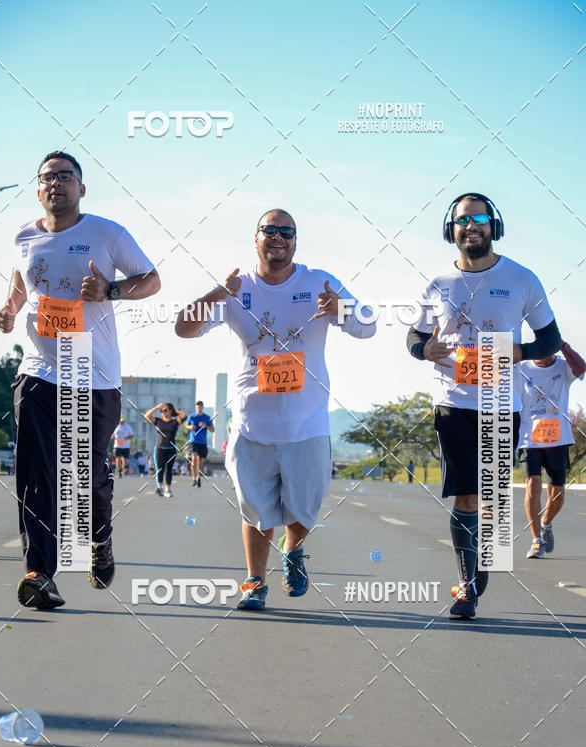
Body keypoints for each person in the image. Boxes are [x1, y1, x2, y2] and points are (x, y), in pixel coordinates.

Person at [175, 208, 375, 610]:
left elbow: (367, 325)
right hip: (252, 423)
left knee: (303, 507)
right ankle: (254, 581)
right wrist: (218, 294)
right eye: (270, 230)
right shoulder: (236, 288)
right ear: (256, 238)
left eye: (287, 231)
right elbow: (183, 327)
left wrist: (341, 311)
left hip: (308, 423)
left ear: (296, 241)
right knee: (256, 510)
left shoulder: (320, 281)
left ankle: (294, 549)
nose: (278, 237)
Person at [0, 150, 160, 609]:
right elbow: (21, 281)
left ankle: (99, 540)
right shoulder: (24, 236)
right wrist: (10, 310)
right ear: (38, 188)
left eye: (66, 177)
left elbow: (151, 279)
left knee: (86, 480)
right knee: (36, 473)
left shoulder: (107, 233)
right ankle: (40, 573)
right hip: (39, 370)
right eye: (48, 177)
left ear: (81, 188)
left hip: (94, 373)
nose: (57, 184)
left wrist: (112, 289)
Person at [407, 192, 561, 619]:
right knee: (467, 496)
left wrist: (522, 351)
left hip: (501, 403)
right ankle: (467, 587)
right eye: (462, 220)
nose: (470, 226)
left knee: (491, 499)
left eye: (478, 218)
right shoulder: (437, 283)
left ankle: (480, 568)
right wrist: (425, 349)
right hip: (452, 404)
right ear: (449, 230)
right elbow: (414, 339)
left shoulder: (522, 278)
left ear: (493, 225)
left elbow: (549, 339)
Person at [518, 343, 585, 558]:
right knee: (533, 485)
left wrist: (562, 344)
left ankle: (546, 523)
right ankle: (536, 541)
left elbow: (581, 368)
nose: (546, 357)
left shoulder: (563, 368)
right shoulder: (522, 367)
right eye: (542, 352)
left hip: (558, 439)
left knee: (557, 496)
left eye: (551, 351)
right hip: (530, 438)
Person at [144, 402, 187, 497]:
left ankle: (167, 489)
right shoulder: (158, 421)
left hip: (171, 449)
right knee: (160, 469)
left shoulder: (175, 422)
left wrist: (176, 411)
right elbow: (147, 416)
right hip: (159, 449)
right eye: (161, 411)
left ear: (170, 411)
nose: (163, 412)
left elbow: (184, 416)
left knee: (169, 469)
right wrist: (156, 407)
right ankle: (159, 487)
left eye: (165, 410)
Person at [184, 401, 214, 487]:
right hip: (193, 441)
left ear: (203, 407)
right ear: (195, 408)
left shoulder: (207, 418)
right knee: (194, 459)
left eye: (201, 408)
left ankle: (199, 478)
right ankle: (193, 478)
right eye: (198, 408)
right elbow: (186, 425)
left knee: (200, 461)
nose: (199, 409)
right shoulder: (192, 416)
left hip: (202, 442)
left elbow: (213, 430)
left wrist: (206, 426)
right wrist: (190, 427)